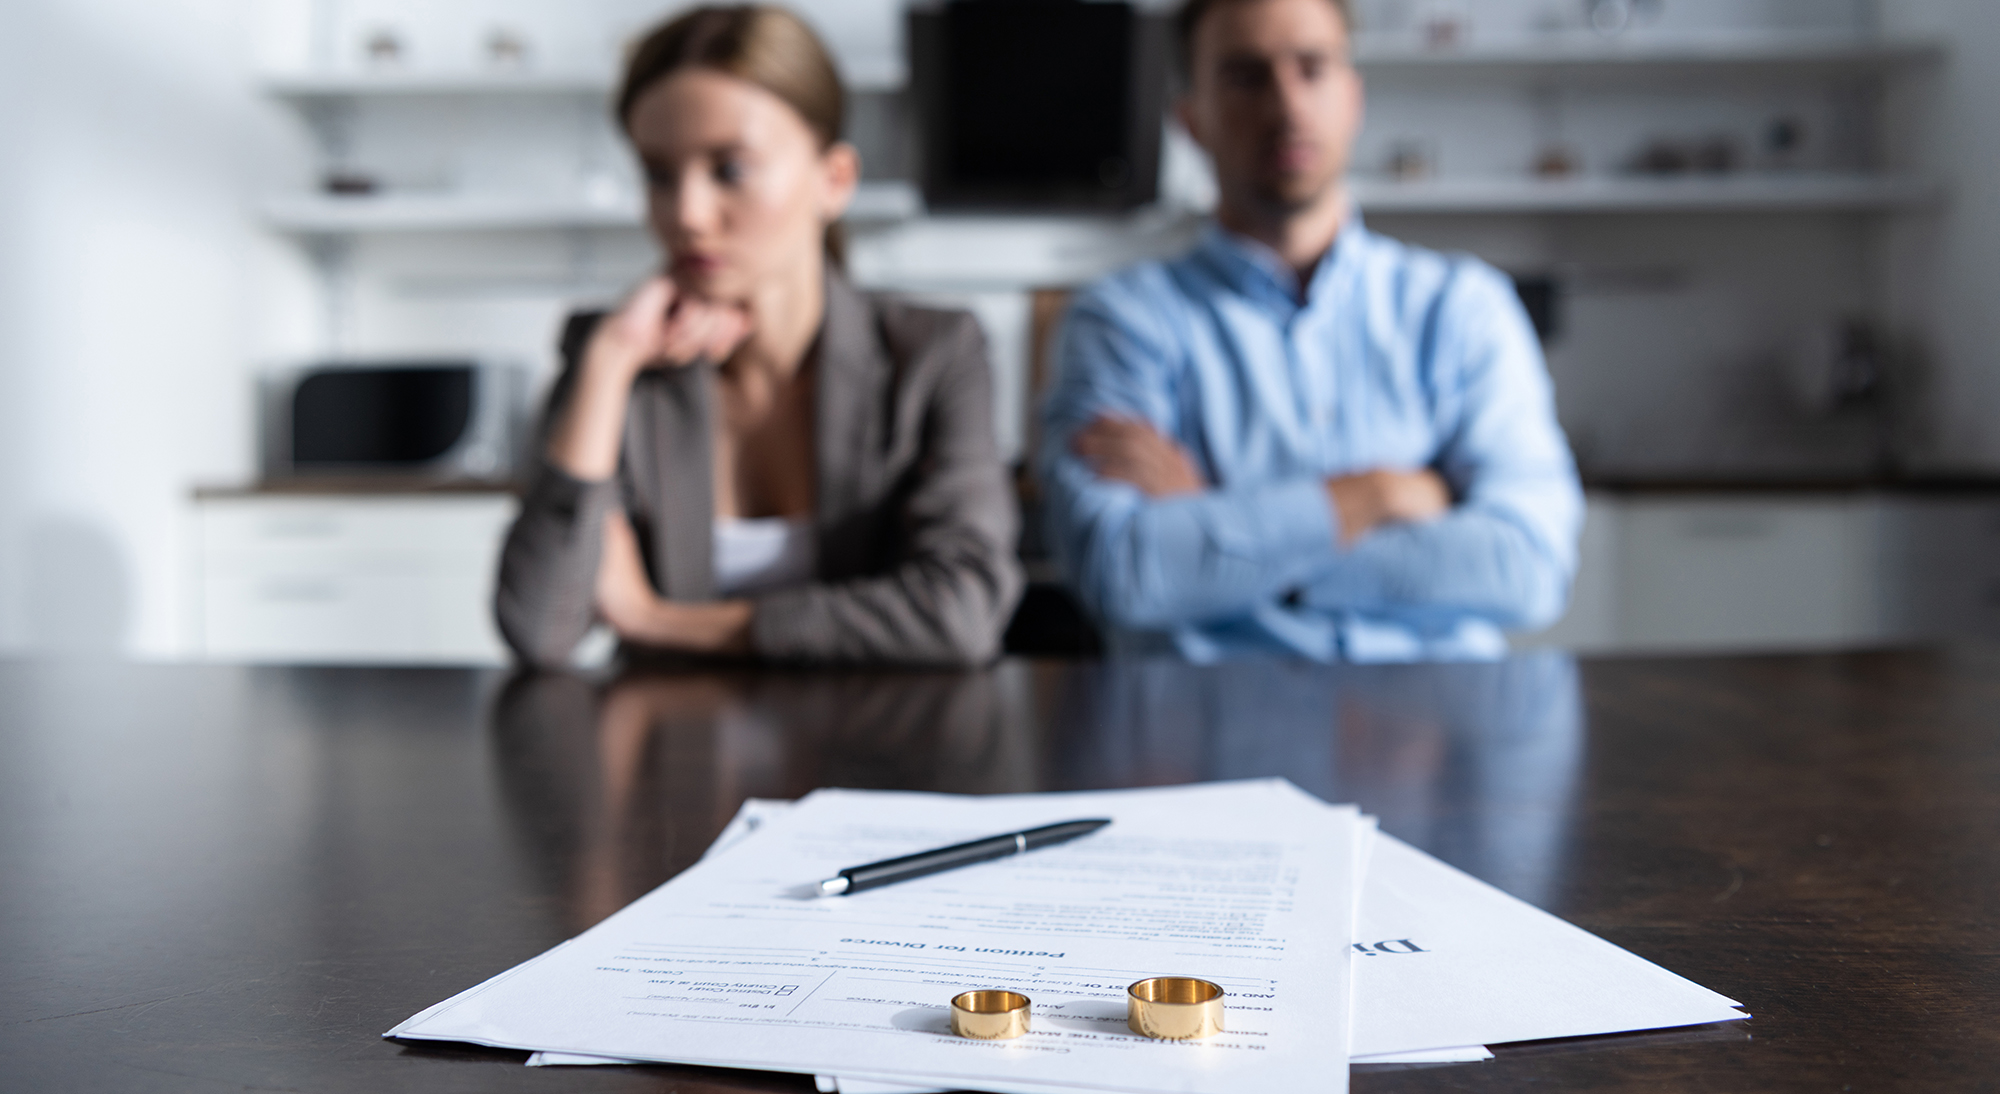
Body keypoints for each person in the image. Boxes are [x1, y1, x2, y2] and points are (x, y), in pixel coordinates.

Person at [1040, 0, 1583, 662]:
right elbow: (1122, 572)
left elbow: (1528, 568)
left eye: (1313, 68)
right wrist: (1377, 495)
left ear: (1353, 97)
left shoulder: (1463, 308)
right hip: (1209, 735)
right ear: (1189, 120)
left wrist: (1224, 529)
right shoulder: (1121, 320)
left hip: (1441, 735)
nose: (1288, 106)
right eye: (1246, 75)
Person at [497, 5, 1021, 668]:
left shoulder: (934, 354)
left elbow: (963, 612)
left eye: (730, 170)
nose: (686, 214)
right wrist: (608, 363)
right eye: (659, 174)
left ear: (834, 181)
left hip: (873, 753)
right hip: (673, 759)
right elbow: (538, 628)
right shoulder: (614, 356)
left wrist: (659, 622)